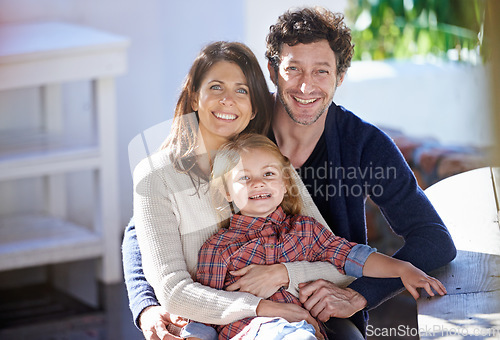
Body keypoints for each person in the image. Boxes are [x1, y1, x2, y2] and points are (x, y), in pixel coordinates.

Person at [123, 7, 457, 339]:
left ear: (340, 76)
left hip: (321, 304)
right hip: (225, 309)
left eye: (321, 72)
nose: (305, 86)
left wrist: (359, 295)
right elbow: (143, 227)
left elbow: (433, 239)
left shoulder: (363, 145)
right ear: (272, 71)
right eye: (293, 69)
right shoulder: (239, 127)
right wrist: (147, 305)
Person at [128, 40, 355, 340]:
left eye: (242, 90)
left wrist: (284, 275)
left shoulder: (266, 163)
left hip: (290, 321)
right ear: (194, 97)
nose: (228, 100)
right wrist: (261, 307)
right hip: (205, 325)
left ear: (253, 109)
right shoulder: (158, 176)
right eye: (216, 87)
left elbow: (342, 265)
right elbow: (172, 289)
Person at [179, 133, 446, 340]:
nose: (258, 183)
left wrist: (402, 269)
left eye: (268, 174)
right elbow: (207, 311)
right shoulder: (218, 249)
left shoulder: (305, 231)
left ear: (284, 183)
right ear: (226, 192)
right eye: (244, 178)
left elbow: (353, 257)